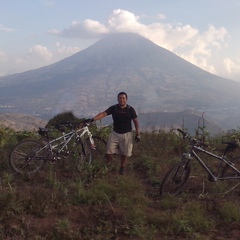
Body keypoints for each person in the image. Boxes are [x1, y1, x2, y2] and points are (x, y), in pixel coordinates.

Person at [90, 92, 140, 175]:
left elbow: (136, 121)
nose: (121, 100)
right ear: (117, 99)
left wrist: (138, 133)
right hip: (115, 133)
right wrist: (93, 119)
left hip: (127, 134)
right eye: (120, 98)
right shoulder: (114, 108)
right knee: (108, 151)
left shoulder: (130, 109)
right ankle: (108, 165)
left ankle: (122, 167)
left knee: (125, 152)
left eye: (123, 98)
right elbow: (104, 114)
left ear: (126, 99)